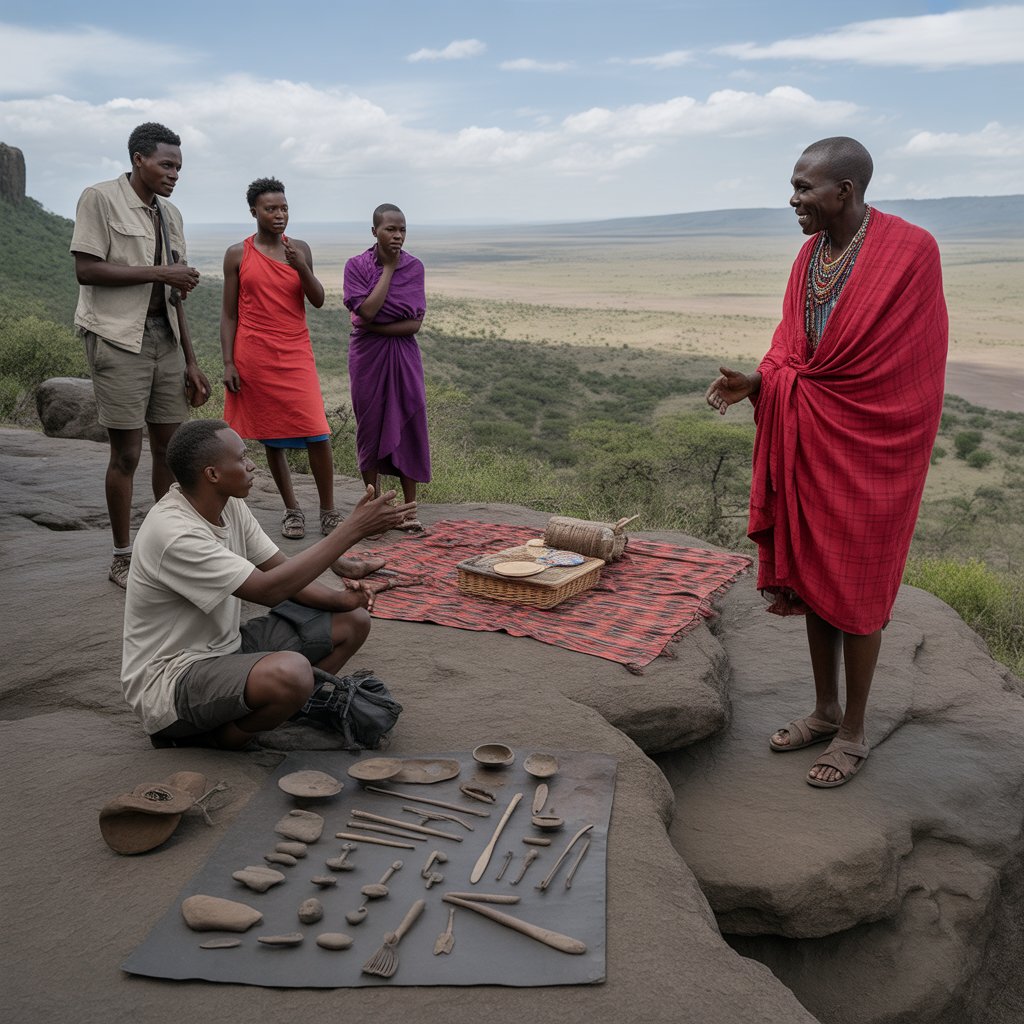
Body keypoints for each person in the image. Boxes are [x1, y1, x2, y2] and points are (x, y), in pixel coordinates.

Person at [705, 137, 948, 788]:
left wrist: (820, 396)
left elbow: (913, 367)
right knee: (815, 575)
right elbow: (793, 349)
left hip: (876, 446)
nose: (793, 200)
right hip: (812, 437)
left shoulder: (910, 251)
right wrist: (759, 382)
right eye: (793, 187)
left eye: (804, 188)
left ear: (845, 190)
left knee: (857, 588)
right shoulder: (810, 256)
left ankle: (854, 733)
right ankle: (824, 708)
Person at [121, 418, 415, 750]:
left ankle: (287, 706)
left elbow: (281, 572)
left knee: (353, 623)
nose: (252, 466)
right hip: (173, 682)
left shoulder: (228, 504)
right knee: (293, 673)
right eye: (242, 458)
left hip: (226, 650)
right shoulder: (175, 534)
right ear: (212, 474)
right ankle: (225, 737)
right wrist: (351, 530)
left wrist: (343, 601)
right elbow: (268, 590)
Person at [70, 122, 210, 589]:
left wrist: (191, 360)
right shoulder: (100, 198)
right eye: (166, 164)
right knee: (126, 453)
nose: (174, 174)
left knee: (172, 451)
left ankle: (164, 548)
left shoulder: (171, 216)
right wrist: (160, 272)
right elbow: (86, 270)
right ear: (138, 160)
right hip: (117, 338)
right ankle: (122, 555)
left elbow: (176, 297)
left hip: (165, 340)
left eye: (178, 167)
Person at [222, 177, 340, 540]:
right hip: (254, 354)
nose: (279, 215)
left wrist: (301, 266)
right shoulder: (238, 254)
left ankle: (329, 511)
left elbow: (317, 299)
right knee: (272, 435)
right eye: (270, 208)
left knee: (317, 431)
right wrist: (229, 362)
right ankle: (292, 511)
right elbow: (228, 314)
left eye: (284, 208)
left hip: (295, 350)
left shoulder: (299, 248)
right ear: (253, 211)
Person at [343, 203, 429, 532]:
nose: (397, 235)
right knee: (370, 425)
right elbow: (366, 309)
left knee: (409, 422)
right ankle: (375, 510)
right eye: (390, 229)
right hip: (367, 356)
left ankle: (409, 510)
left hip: (403, 355)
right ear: (374, 231)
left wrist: (371, 323)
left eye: (402, 229)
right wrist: (388, 270)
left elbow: (413, 325)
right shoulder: (356, 266)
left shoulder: (416, 267)